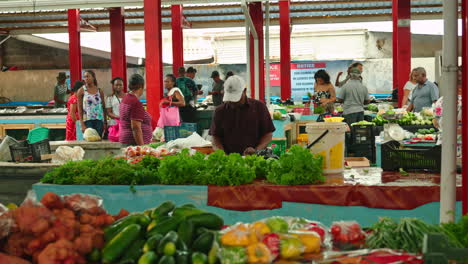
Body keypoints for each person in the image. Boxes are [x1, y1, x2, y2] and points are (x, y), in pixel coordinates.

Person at [209, 75, 275, 155]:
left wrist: (257, 150)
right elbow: (215, 137)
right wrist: (221, 153)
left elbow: (268, 134)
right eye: (230, 99)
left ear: (244, 91)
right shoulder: (219, 111)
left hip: (254, 159)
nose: (233, 103)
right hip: (228, 160)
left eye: (236, 98)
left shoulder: (259, 107)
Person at [119, 74, 153, 145]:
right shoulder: (135, 102)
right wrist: (141, 147)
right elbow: (136, 127)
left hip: (125, 139)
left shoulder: (125, 98)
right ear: (141, 86)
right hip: (133, 143)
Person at [77, 70, 107, 136]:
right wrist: (82, 124)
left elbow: (104, 107)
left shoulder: (99, 90)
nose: (86, 78)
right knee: (89, 139)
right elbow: (79, 108)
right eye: (84, 77)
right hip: (87, 121)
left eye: (88, 76)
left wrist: (105, 123)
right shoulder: (81, 91)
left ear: (93, 77)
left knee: (99, 139)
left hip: (99, 120)